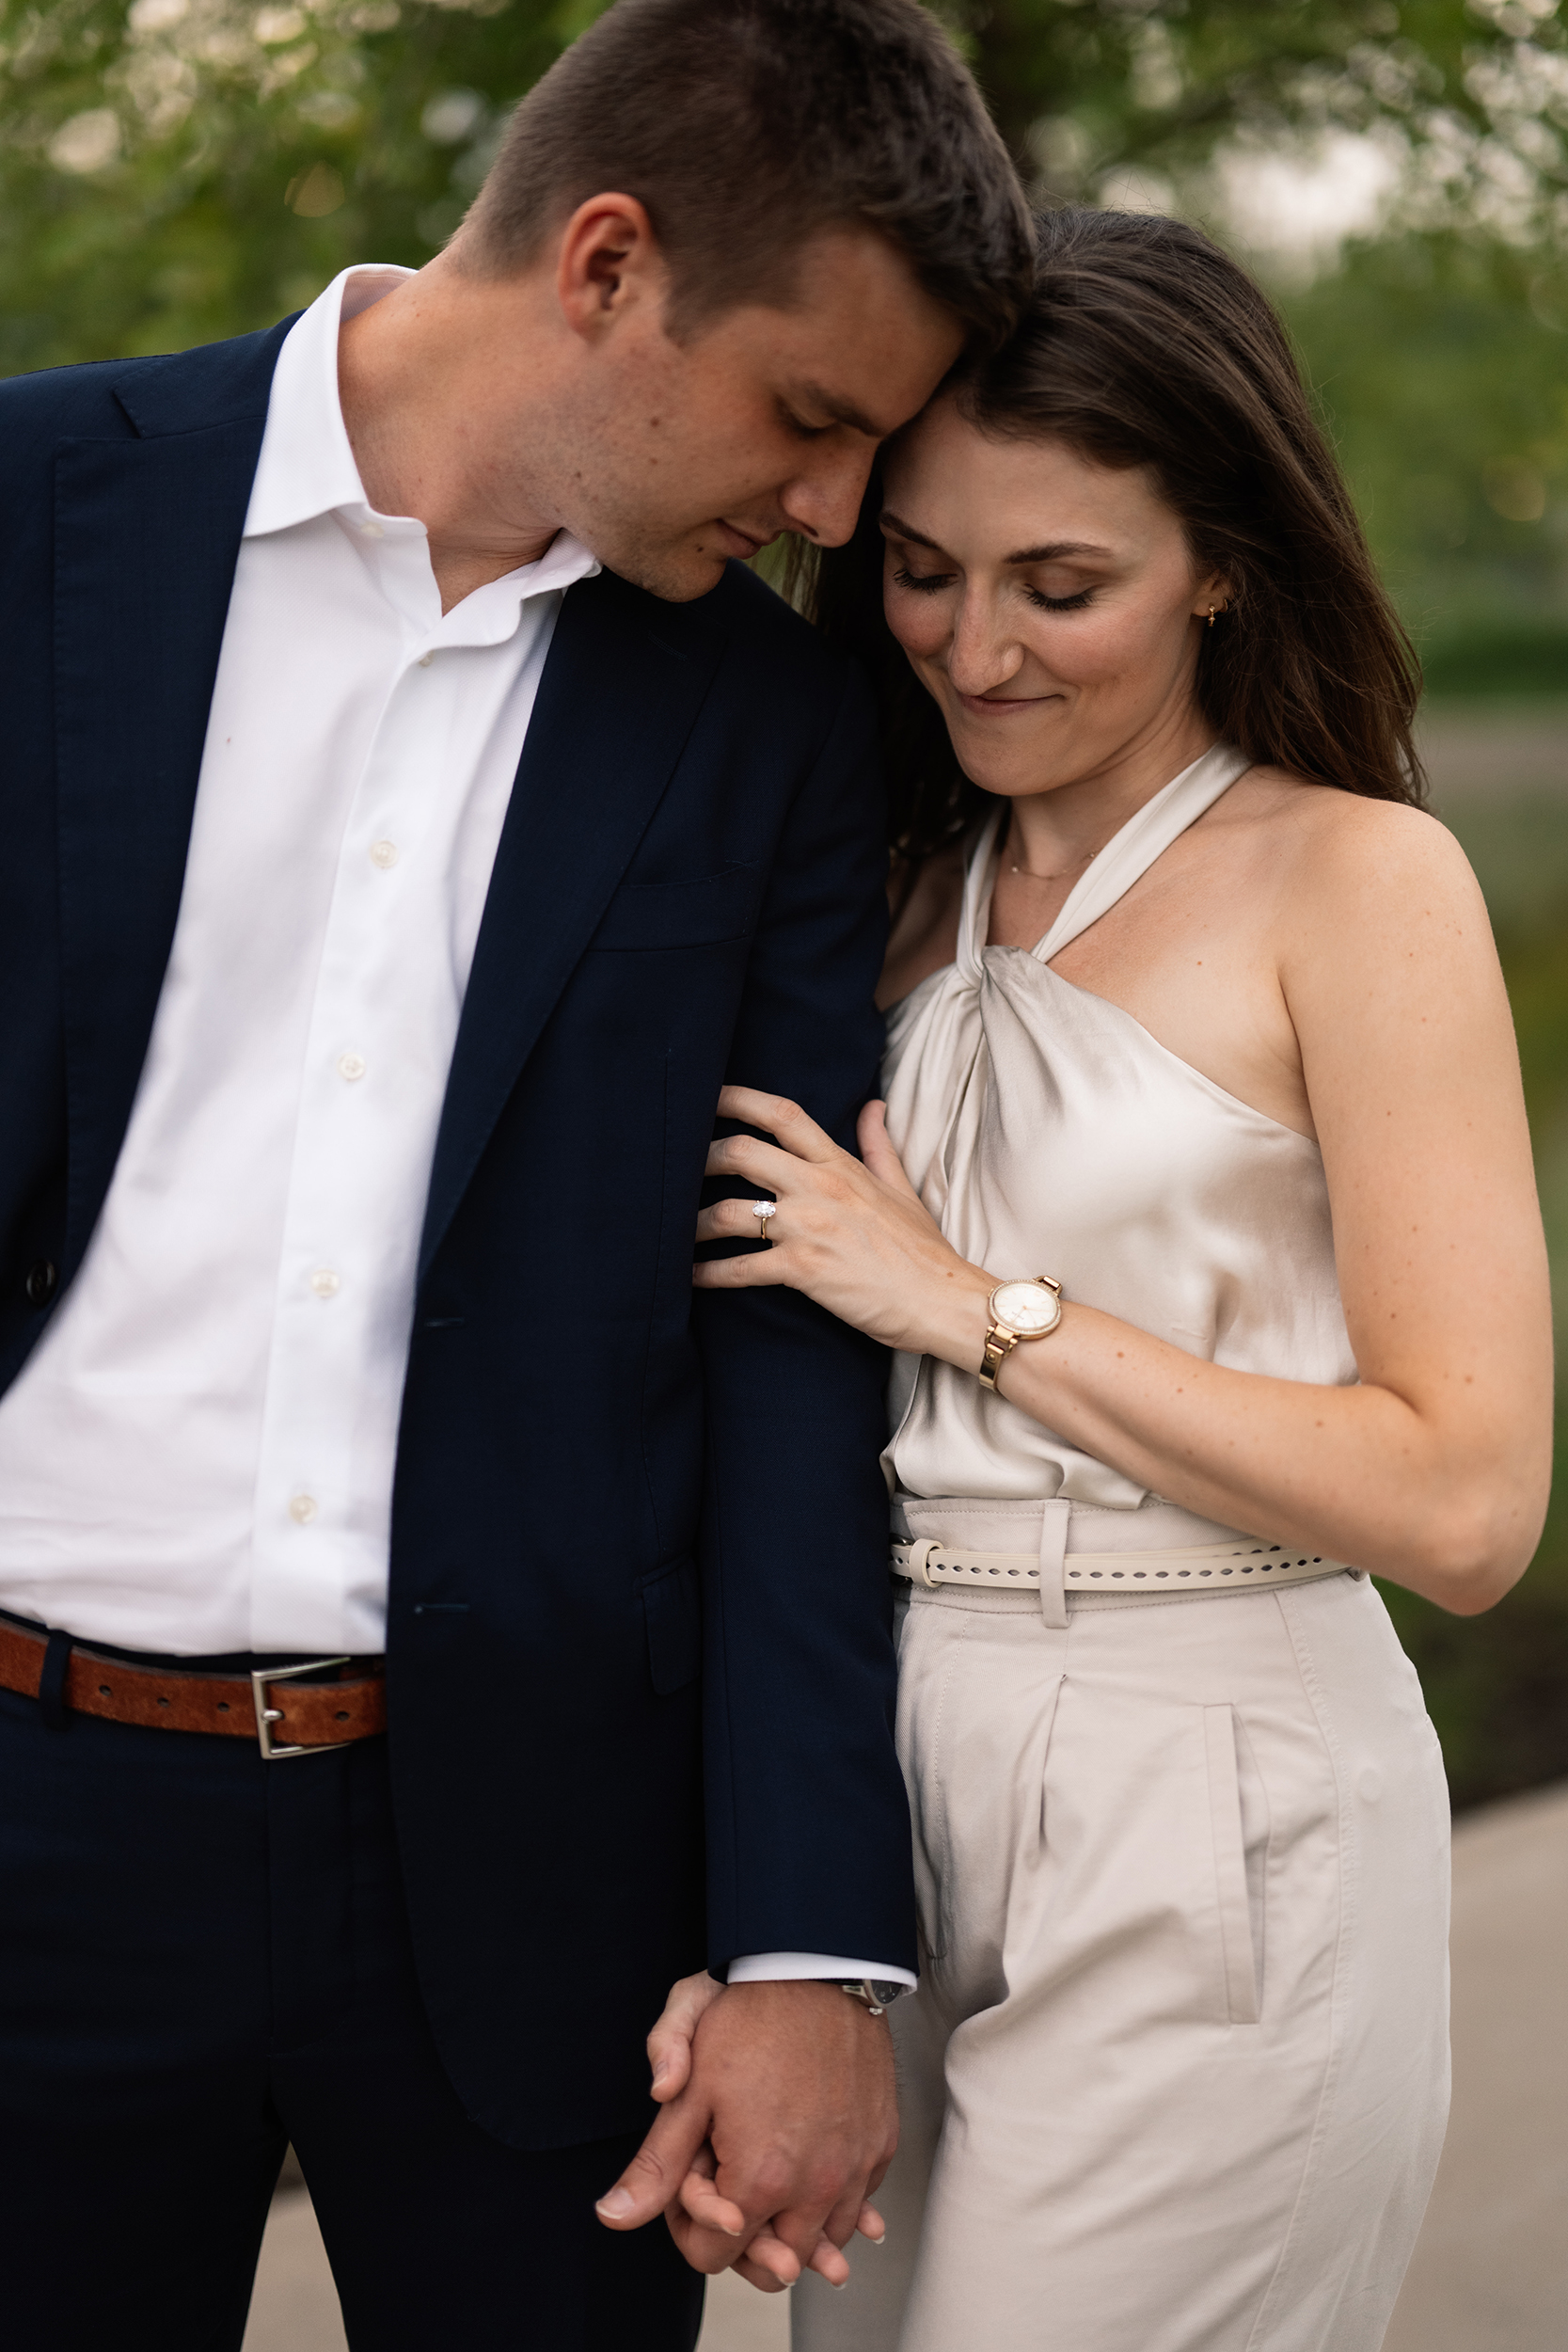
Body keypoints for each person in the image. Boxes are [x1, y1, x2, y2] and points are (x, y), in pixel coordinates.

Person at [0, 3, 1035, 2344]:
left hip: (539, 1867)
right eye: (812, 416)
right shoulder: (23, 514)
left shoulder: (766, 724)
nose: (836, 518)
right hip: (30, 1819)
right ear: (603, 262)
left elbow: (779, 1331)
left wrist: (803, 1935)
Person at [652, 210, 1554, 2346]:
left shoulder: (1357, 877)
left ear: (1222, 562)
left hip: (1216, 1775)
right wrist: (750, 1904)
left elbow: (1466, 1500)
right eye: (925, 571)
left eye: (1066, 585)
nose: (975, 648)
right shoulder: (874, 882)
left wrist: (981, 1308)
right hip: (888, 1785)